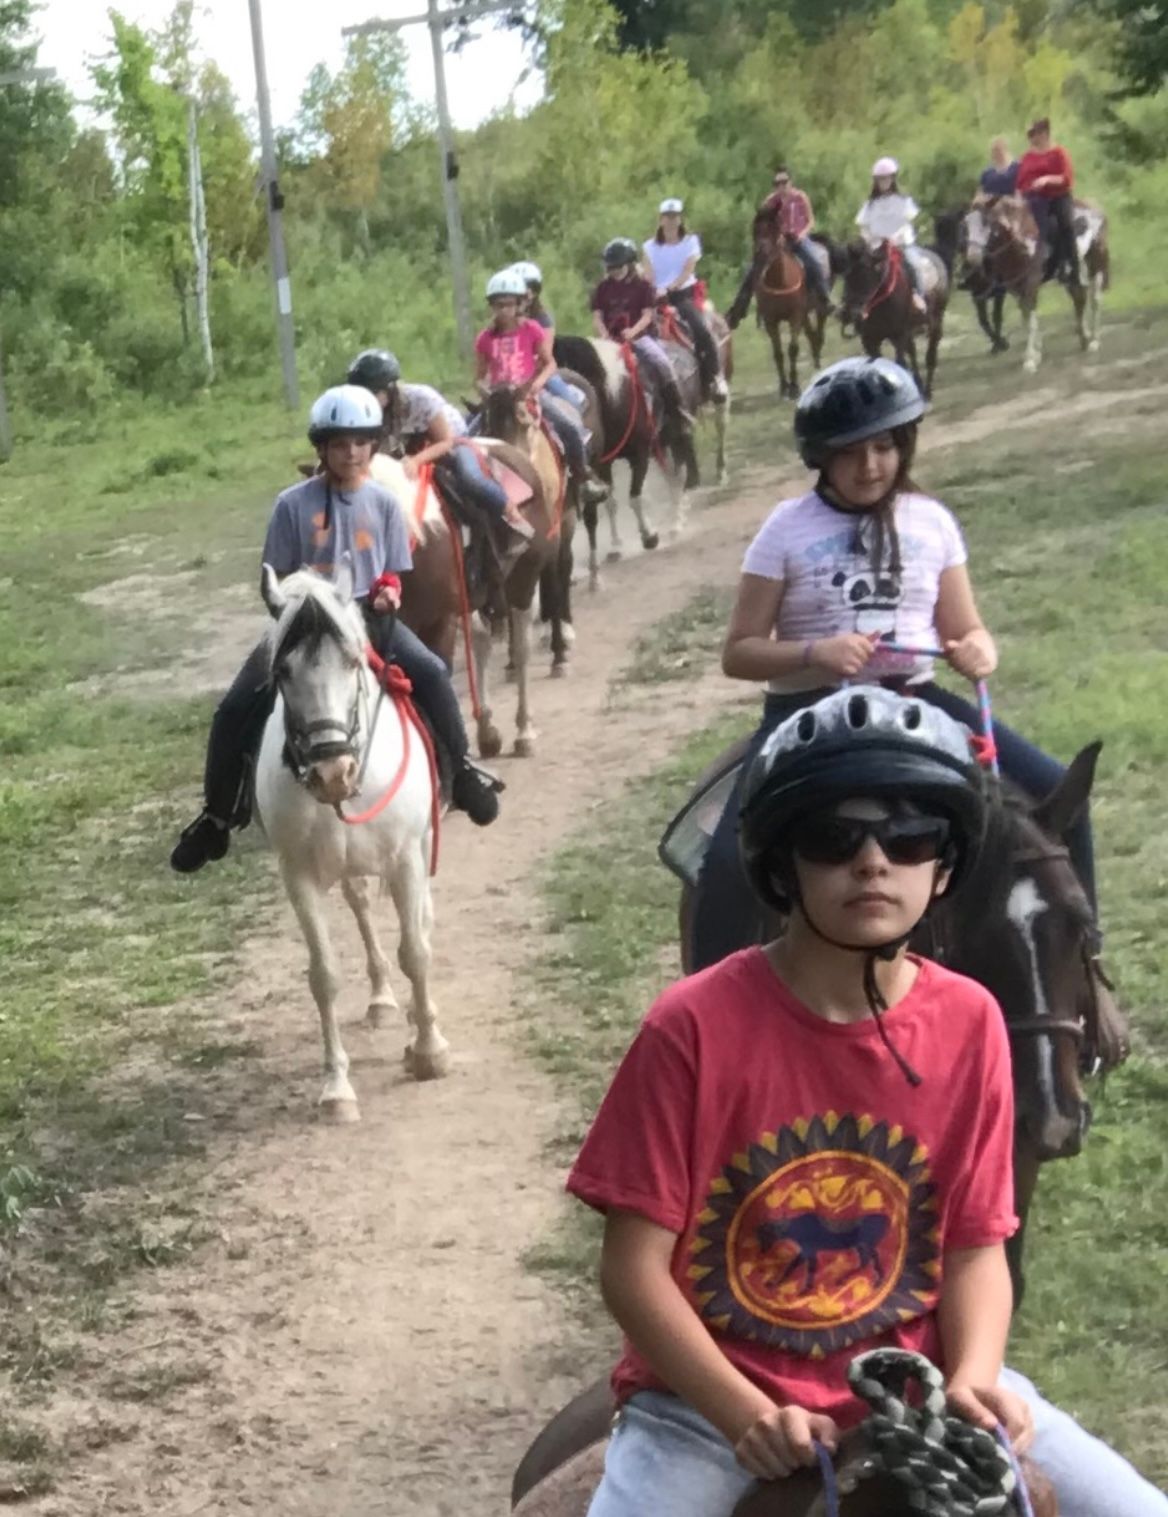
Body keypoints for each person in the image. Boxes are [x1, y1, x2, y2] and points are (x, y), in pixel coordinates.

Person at [567, 685, 1167, 1517]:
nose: (874, 860)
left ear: (944, 862)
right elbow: (632, 1269)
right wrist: (744, 1414)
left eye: (909, 836)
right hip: (703, 1416)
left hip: (913, 1385)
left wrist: (972, 1379)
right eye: (833, 837)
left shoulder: (971, 1022)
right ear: (784, 863)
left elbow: (974, 1247)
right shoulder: (691, 1028)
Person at [690, 355, 1098, 971]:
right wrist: (813, 653)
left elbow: (965, 628)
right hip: (808, 709)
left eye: (885, 447)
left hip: (916, 703)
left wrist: (979, 649)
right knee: (725, 861)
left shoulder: (932, 522)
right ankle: (713, 1002)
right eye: (852, 451)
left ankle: (1082, 958)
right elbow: (739, 652)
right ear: (821, 455)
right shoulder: (784, 530)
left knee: (1056, 794)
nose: (871, 465)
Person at [169, 385, 502, 872]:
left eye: (360, 442)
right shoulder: (290, 505)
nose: (351, 453)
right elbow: (276, 575)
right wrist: (294, 605)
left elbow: (391, 571)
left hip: (366, 615)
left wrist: (390, 593)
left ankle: (463, 769)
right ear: (321, 448)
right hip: (302, 621)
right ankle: (216, 817)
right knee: (236, 705)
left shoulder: (387, 504)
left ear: (372, 446)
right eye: (340, 443)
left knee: (431, 672)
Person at [345, 347, 533, 545]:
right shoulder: (368, 411)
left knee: (470, 477)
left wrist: (416, 461)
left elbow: (446, 441)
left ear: (390, 388)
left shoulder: (420, 398)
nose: (365, 400)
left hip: (451, 441)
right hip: (410, 447)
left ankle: (509, 512)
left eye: (371, 393)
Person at [474, 268, 608, 507]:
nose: (503, 310)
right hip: (499, 400)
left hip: (527, 394)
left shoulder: (532, 330)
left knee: (567, 426)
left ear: (519, 304)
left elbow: (549, 364)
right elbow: (478, 377)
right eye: (497, 305)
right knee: (464, 437)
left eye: (508, 304)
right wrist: (485, 392)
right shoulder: (485, 338)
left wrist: (535, 386)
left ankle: (583, 477)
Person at [591, 237, 693, 435]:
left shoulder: (643, 286)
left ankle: (678, 411)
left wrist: (633, 332)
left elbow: (648, 316)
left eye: (618, 267)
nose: (613, 272)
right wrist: (603, 333)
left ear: (629, 265)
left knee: (662, 362)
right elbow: (597, 316)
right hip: (610, 340)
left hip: (640, 337)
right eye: (610, 268)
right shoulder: (603, 288)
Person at [641, 198, 726, 402]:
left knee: (701, 329)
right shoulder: (649, 247)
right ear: (661, 220)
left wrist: (671, 287)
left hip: (682, 296)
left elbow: (688, 269)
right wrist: (652, 288)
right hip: (656, 298)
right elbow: (649, 273)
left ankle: (716, 377)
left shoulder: (690, 242)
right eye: (667, 217)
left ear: (680, 219)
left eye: (674, 217)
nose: (671, 221)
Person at [727, 166, 833, 329]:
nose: (781, 186)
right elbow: (763, 223)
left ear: (791, 182)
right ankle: (738, 311)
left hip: (797, 239)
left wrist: (802, 234)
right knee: (751, 271)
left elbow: (810, 220)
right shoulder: (770, 201)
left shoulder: (800, 197)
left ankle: (824, 299)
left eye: (784, 182)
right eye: (777, 183)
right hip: (778, 242)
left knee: (813, 263)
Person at [507, 260, 589, 418]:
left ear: (534, 292)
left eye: (524, 290)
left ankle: (578, 426)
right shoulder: (505, 320)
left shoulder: (543, 320)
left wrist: (527, 379)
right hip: (508, 375)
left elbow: (544, 356)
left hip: (536, 372)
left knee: (563, 396)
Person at [855, 156, 928, 316]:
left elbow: (906, 223)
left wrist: (895, 238)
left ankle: (918, 295)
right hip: (876, 247)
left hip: (901, 244)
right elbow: (864, 227)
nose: (883, 182)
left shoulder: (903, 201)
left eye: (886, 178)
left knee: (914, 264)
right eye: (880, 179)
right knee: (859, 268)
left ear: (893, 179)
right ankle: (857, 303)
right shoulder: (870, 204)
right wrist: (867, 239)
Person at [1016, 117, 1080, 288]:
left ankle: (1074, 269)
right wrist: (1023, 195)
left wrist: (1047, 180)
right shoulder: (1027, 157)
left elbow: (1066, 177)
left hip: (1059, 195)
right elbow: (1021, 181)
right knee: (1041, 229)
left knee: (1066, 225)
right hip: (1037, 199)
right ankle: (1042, 267)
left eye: (1034, 134)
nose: (1031, 138)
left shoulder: (1059, 153)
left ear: (1044, 134)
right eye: (1030, 135)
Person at [976, 135, 1019, 201]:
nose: (996, 153)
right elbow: (980, 193)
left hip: (1008, 203)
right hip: (988, 203)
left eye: (998, 150)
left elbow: (1019, 191)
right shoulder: (987, 171)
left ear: (1005, 149)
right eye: (994, 150)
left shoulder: (1016, 168)